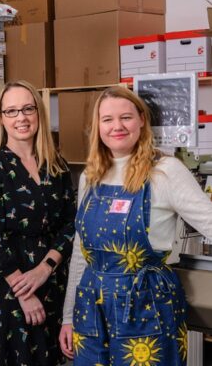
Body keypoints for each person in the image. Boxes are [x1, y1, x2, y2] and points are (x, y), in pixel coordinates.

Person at [59, 85, 212, 365]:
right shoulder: (91, 176)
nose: (117, 126)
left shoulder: (166, 171)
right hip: (92, 307)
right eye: (107, 119)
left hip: (146, 305)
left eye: (126, 117)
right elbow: (81, 253)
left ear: (142, 119)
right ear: (98, 127)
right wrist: (68, 315)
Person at [0, 80, 76, 366]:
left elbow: (72, 224)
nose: (22, 118)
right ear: (1, 119)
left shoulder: (57, 165)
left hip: (53, 282)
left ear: (39, 113)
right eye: (12, 111)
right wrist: (24, 293)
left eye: (28, 109)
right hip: (10, 290)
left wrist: (46, 268)